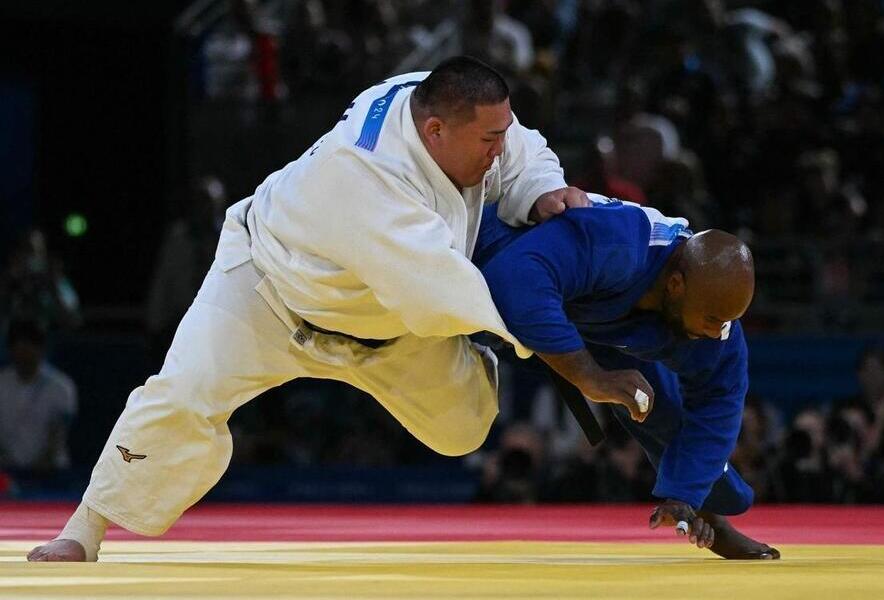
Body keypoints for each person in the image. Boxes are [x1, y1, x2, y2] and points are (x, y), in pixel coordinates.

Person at [28, 55, 588, 562]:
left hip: (385, 327)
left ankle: (470, 353)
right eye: (488, 140)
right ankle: (83, 529)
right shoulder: (363, 171)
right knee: (181, 391)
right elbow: (437, 285)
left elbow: (520, 146)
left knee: (463, 430)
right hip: (269, 292)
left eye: (499, 136)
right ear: (434, 131)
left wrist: (542, 186)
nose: (498, 151)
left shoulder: (448, 108)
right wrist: (555, 345)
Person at [472, 196, 779, 559]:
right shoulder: (619, 243)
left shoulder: (717, 323)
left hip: (597, 316)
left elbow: (718, 408)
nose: (718, 331)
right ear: (676, 284)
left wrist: (684, 495)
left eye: (729, 320)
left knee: (657, 406)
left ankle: (709, 514)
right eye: (713, 319)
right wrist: (589, 376)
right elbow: (515, 278)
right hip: (489, 259)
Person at [0, 319, 77, 471]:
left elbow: (58, 434)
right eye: (18, 347)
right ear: (10, 349)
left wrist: (43, 464)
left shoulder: (61, 387)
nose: (23, 353)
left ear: (41, 348)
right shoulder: (2, 382)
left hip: (49, 474)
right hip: (6, 470)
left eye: (29, 346)